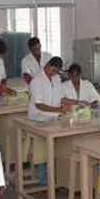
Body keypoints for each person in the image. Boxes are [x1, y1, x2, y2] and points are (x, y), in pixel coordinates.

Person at [28, 57, 71, 185]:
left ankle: (57, 176)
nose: (54, 73)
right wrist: (58, 110)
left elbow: (61, 98)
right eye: (53, 70)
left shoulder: (56, 79)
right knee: (42, 147)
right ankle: (43, 177)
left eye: (57, 71)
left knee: (59, 144)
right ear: (47, 65)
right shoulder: (36, 81)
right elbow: (39, 105)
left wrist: (78, 102)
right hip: (39, 117)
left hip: (53, 117)